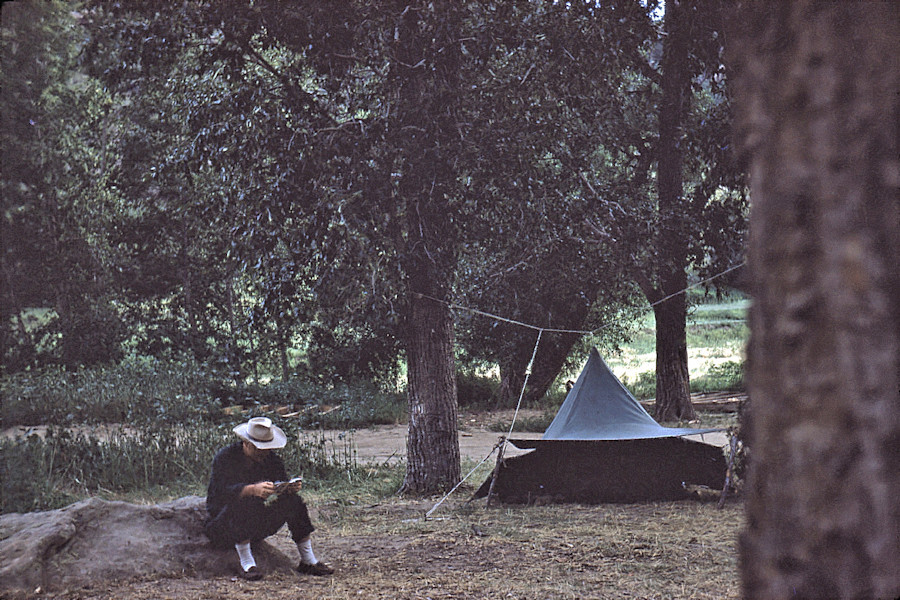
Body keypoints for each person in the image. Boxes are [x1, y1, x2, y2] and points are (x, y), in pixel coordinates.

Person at [204, 416, 335, 580]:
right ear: (246, 443)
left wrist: (288, 488)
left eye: (267, 448)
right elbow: (218, 495)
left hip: (255, 523)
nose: (263, 452)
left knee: (294, 502)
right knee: (246, 501)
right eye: (259, 448)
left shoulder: (271, 459)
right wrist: (251, 489)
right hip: (223, 524)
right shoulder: (225, 458)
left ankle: (308, 561)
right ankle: (247, 564)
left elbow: (280, 483)